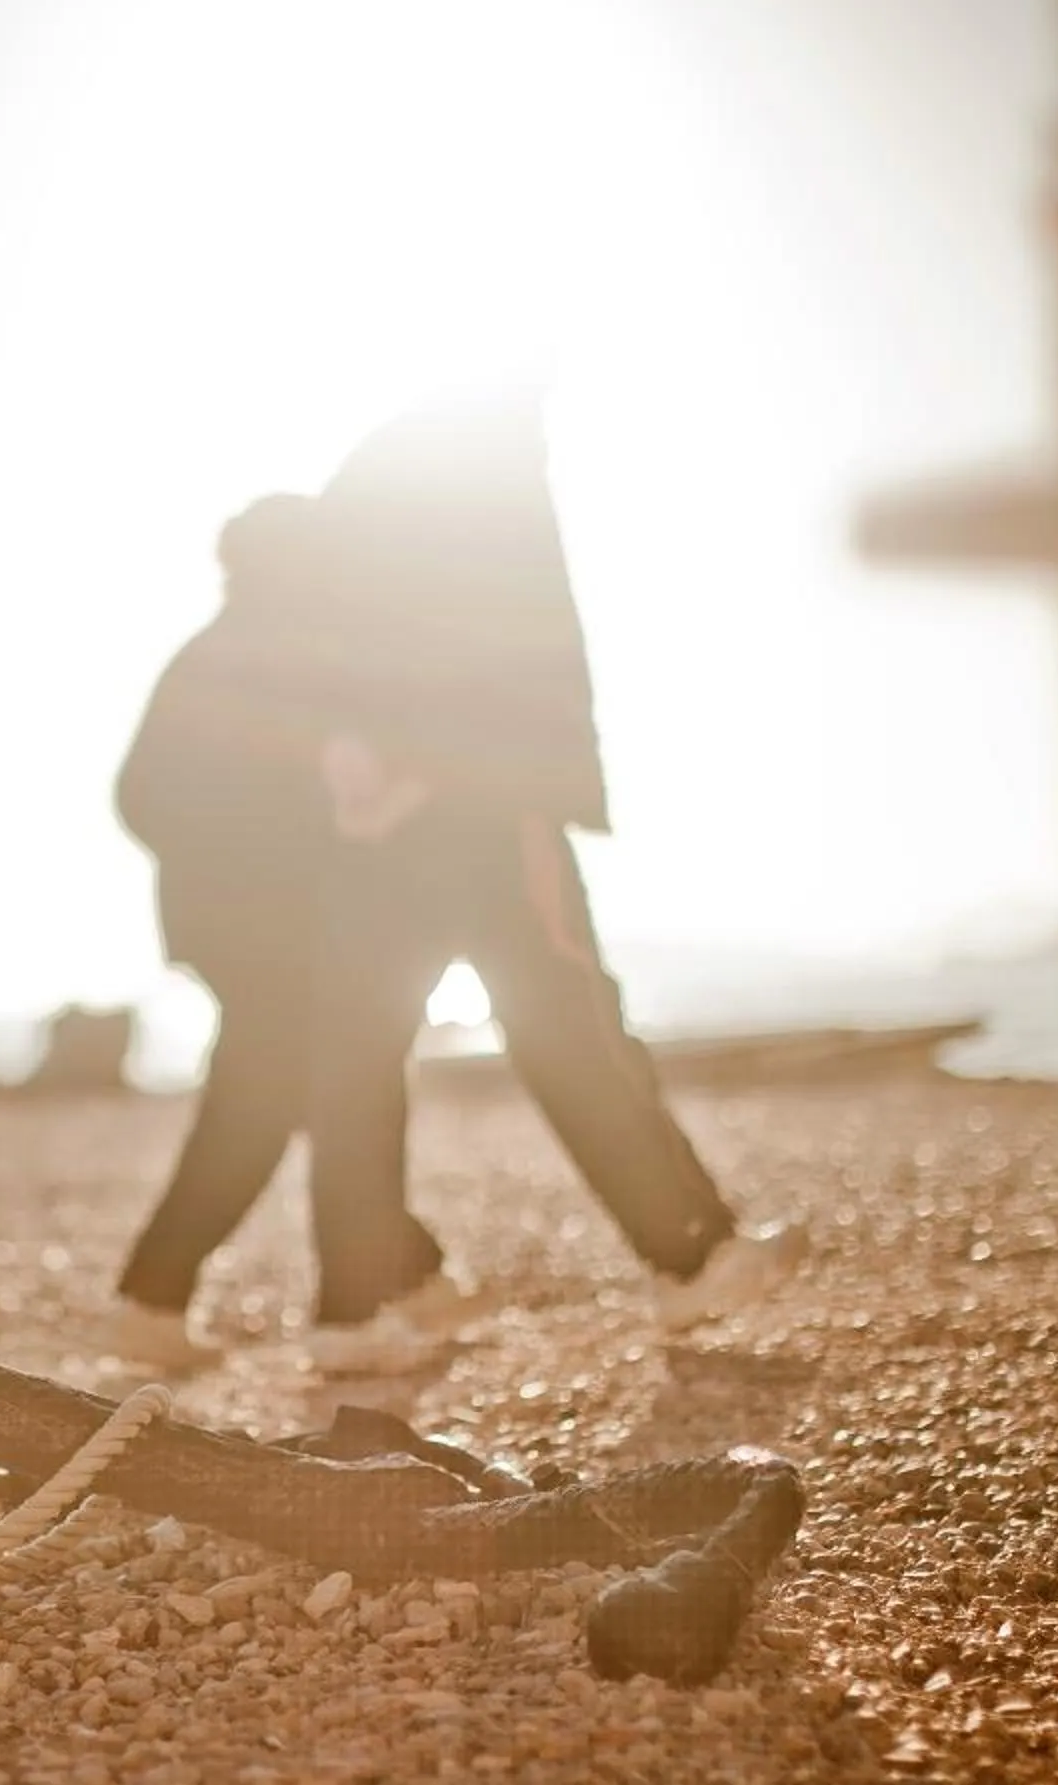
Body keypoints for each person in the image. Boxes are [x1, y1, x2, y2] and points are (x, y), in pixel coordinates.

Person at [288, 393, 803, 1370]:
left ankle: (349, 1312)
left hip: (370, 817)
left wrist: (348, 762)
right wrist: (486, 773)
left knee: (359, 1057)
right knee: (569, 1024)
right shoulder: (487, 462)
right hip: (480, 797)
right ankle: (690, 1255)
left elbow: (312, 631)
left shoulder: (370, 473)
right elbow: (521, 641)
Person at [105, 494, 496, 1372]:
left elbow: (153, 795)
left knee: (275, 1107)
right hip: (264, 930)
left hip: (249, 928)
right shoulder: (247, 659)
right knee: (328, 1099)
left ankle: (397, 1282)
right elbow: (141, 795)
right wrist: (252, 851)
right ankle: (351, 1316)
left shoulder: (239, 652)